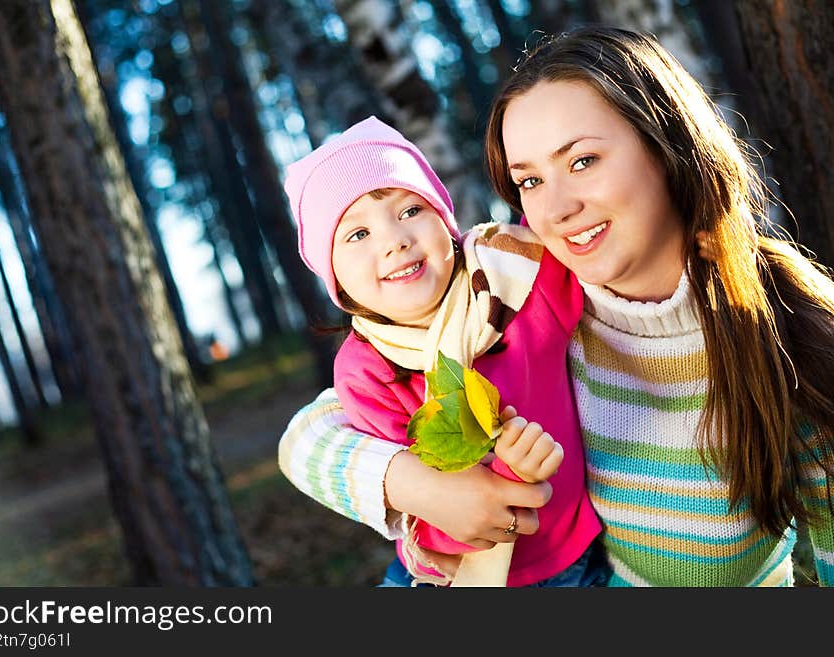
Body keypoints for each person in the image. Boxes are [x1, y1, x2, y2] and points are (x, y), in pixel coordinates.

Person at [279, 26, 834, 587]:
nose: (559, 208)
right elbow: (308, 437)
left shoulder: (786, 330)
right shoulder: (530, 289)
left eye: (583, 161)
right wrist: (418, 486)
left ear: (667, 141)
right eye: (529, 180)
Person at [282, 116, 605, 587]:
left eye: (410, 210)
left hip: (570, 556)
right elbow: (423, 510)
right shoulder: (365, 371)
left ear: (445, 219)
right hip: (453, 575)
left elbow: (588, 254)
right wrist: (507, 476)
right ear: (333, 276)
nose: (395, 240)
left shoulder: (520, 278)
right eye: (357, 235)